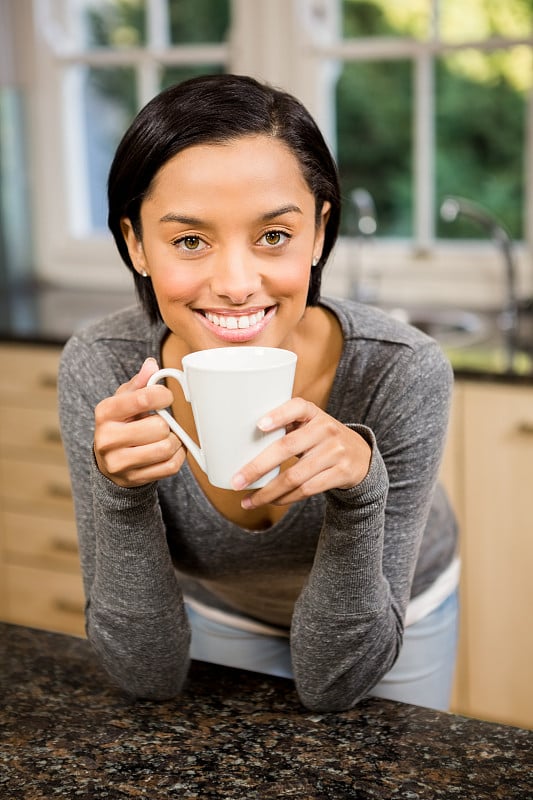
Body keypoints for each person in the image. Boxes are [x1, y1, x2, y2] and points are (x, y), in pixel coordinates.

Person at [58, 73, 459, 712]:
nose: (238, 284)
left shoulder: (402, 372)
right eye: (190, 240)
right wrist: (123, 498)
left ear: (320, 232)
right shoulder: (102, 367)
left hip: (390, 613)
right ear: (136, 242)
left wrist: (360, 496)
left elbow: (339, 683)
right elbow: (145, 677)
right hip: (226, 611)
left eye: (274, 235)